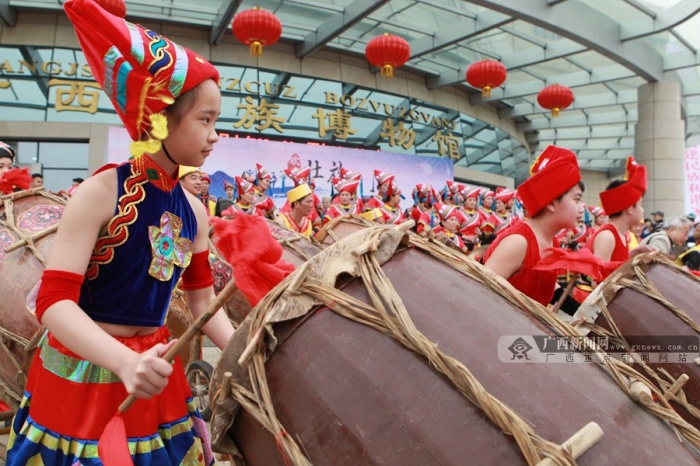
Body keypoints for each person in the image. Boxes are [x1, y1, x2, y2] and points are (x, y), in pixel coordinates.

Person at [6, 1, 235, 464]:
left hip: (153, 371)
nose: (215, 135)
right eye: (205, 120)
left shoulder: (195, 211)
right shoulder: (101, 190)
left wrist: (244, 353)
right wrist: (124, 361)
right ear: (158, 116)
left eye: (215, 122)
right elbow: (53, 303)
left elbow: (203, 304)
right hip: (84, 371)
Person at [483, 145, 583, 313]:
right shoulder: (518, 242)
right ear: (551, 203)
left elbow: (547, 286)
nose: (582, 208)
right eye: (577, 199)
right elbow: (479, 293)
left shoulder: (553, 241)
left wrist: (581, 312)